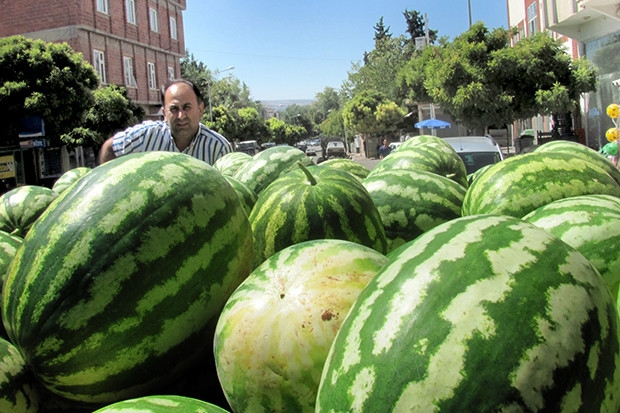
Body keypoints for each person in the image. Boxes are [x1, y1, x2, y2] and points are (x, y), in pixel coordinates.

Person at [99, 79, 232, 165]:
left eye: (187, 107)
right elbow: (110, 148)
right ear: (164, 114)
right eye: (174, 109)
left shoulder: (218, 148)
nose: (181, 116)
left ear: (200, 110)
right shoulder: (146, 136)